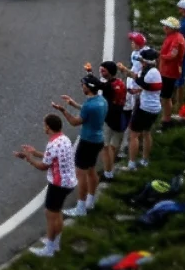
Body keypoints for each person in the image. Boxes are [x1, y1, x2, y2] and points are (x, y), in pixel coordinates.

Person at [14, 113, 75, 257]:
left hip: (58, 184)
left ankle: (49, 248)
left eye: (44, 125)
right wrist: (34, 152)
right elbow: (51, 158)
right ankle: (56, 243)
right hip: (69, 181)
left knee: (50, 214)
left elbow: (43, 166)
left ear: (48, 127)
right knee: (57, 212)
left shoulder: (52, 144)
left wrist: (29, 158)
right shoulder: (63, 139)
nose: (44, 127)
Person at [53, 74, 107, 216]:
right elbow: (87, 111)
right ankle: (91, 200)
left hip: (87, 141)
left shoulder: (89, 106)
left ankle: (81, 208)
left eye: (83, 84)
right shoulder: (101, 101)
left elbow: (75, 122)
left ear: (88, 87)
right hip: (98, 139)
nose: (81, 86)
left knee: (80, 174)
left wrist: (63, 111)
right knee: (91, 170)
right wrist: (73, 103)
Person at [126, 48, 164, 170]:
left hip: (144, 108)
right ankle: (145, 160)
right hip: (155, 108)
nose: (141, 62)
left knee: (134, 135)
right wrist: (139, 90)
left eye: (142, 60)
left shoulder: (149, 73)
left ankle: (132, 163)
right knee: (147, 133)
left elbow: (139, 80)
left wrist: (125, 71)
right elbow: (148, 87)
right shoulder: (155, 72)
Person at [96, 61, 129, 180]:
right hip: (121, 119)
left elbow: (97, 85)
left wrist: (88, 74)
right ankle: (110, 171)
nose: (101, 72)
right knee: (113, 147)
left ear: (109, 72)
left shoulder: (108, 86)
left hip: (109, 120)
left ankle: (107, 173)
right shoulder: (119, 83)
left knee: (105, 147)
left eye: (103, 70)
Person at [157, 16, 185, 119]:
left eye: (166, 26)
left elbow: (173, 55)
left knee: (166, 97)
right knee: (165, 95)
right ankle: (166, 116)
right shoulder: (172, 36)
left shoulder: (177, 40)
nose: (164, 27)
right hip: (166, 70)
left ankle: (166, 119)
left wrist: (161, 56)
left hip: (169, 72)